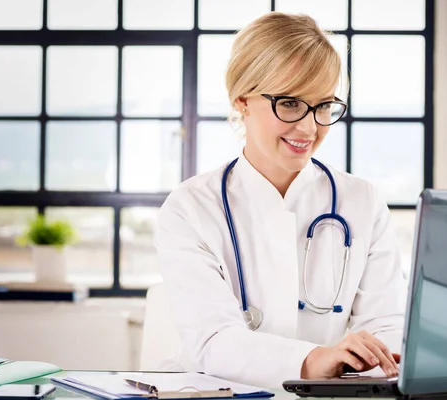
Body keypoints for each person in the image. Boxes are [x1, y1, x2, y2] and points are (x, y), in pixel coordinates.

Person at [155, 12, 408, 388]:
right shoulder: (190, 208)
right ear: (242, 100)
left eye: (323, 106)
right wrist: (312, 360)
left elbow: (388, 324)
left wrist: (363, 361)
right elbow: (212, 340)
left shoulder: (362, 202)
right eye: (289, 103)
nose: (309, 127)